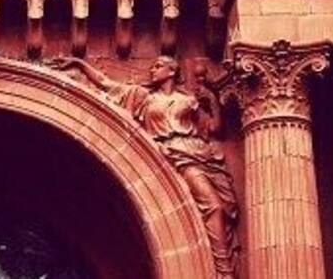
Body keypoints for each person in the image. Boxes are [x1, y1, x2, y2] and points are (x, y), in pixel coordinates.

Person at [50, 55, 238, 278]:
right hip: (171, 155)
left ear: (171, 72)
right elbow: (105, 83)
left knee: (217, 206)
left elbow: (215, 129)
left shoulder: (188, 100)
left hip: (198, 152)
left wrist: (212, 101)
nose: (152, 71)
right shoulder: (143, 98)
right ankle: (224, 270)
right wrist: (81, 64)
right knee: (211, 206)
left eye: (158, 66)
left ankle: (223, 268)